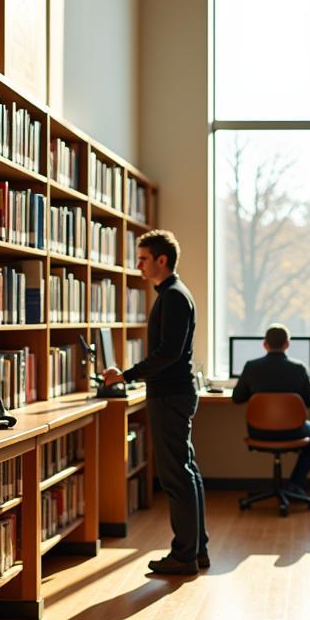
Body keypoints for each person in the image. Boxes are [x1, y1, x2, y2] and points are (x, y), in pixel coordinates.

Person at [102, 230, 207, 577]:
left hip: (170, 394)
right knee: (186, 471)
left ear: (162, 260)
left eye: (144, 258)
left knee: (176, 476)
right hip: (174, 392)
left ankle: (184, 554)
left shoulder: (174, 297)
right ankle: (196, 549)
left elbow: (168, 353)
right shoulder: (172, 294)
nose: (138, 265)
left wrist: (126, 374)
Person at [232, 324, 310, 494]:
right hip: (294, 432)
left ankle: (290, 485)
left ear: (265, 344)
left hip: (259, 433)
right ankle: (295, 483)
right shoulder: (298, 368)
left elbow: (237, 398)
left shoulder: (251, 367)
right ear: (287, 344)